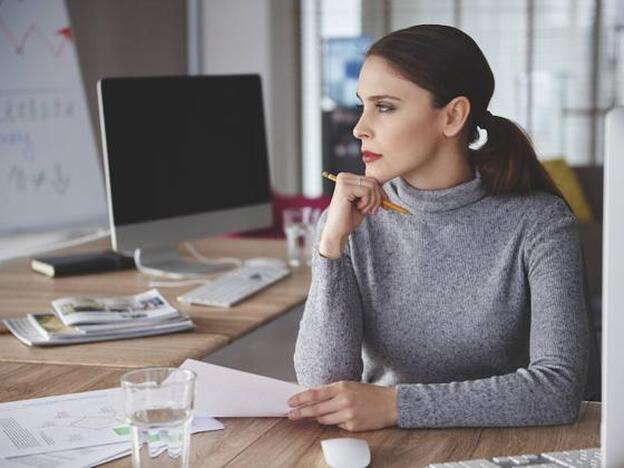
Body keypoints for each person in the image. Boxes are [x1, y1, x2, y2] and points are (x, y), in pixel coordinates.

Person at [288, 24, 589, 432]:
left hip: (502, 450)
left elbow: (559, 389)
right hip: (384, 451)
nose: (360, 128)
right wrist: (331, 246)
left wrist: (395, 406)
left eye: (385, 106)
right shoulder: (349, 223)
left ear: (452, 116)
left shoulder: (540, 224)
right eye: (362, 105)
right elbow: (324, 387)